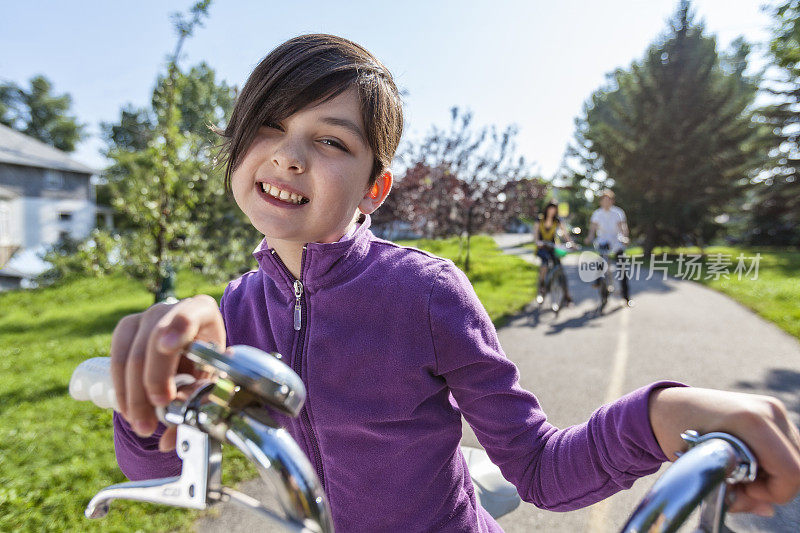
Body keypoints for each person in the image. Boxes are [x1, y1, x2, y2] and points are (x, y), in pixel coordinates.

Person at [108, 35, 800, 531]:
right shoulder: (231, 311)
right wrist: (147, 388)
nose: (288, 155)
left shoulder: (426, 293)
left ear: (374, 189)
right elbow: (155, 476)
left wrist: (661, 415)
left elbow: (540, 469)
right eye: (269, 125)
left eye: (332, 140)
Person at [585, 189, 633, 306]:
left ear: (612, 201)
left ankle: (626, 298)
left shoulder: (617, 212)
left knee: (622, 269)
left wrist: (625, 238)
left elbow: (623, 228)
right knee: (600, 262)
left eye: (608, 200)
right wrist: (589, 238)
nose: (606, 202)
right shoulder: (597, 214)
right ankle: (599, 282)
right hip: (603, 242)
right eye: (604, 200)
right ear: (601, 202)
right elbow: (593, 229)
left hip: (617, 242)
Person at [534, 201, 573, 305]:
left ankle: (567, 295)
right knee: (545, 264)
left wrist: (570, 243)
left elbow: (565, 233)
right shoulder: (539, 219)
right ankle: (541, 288)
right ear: (547, 209)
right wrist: (538, 242)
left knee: (560, 269)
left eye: (554, 209)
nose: (552, 211)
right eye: (550, 208)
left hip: (553, 247)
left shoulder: (557, 220)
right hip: (542, 247)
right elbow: (536, 234)